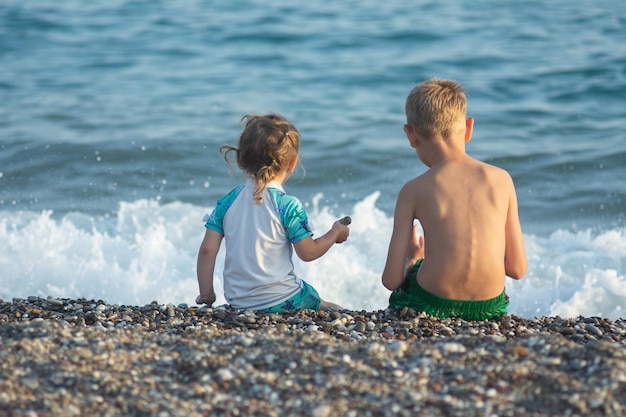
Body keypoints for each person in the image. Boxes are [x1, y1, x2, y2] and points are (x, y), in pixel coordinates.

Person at [381, 78, 527, 321]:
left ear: (410, 135)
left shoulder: (412, 191)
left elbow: (391, 280)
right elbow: (517, 269)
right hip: (489, 306)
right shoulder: (502, 180)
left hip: (431, 302)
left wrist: (412, 260)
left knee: (407, 284)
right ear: (469, 128)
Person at [196, 113, 349, 312]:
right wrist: (335, 232)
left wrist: (207, 294)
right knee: (323, 304)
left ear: (242, 159)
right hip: (284, 299)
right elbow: (309, 252)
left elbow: (207, 250)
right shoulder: (287, 205)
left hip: (239, 302)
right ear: (292, 163)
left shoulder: (227, 203)